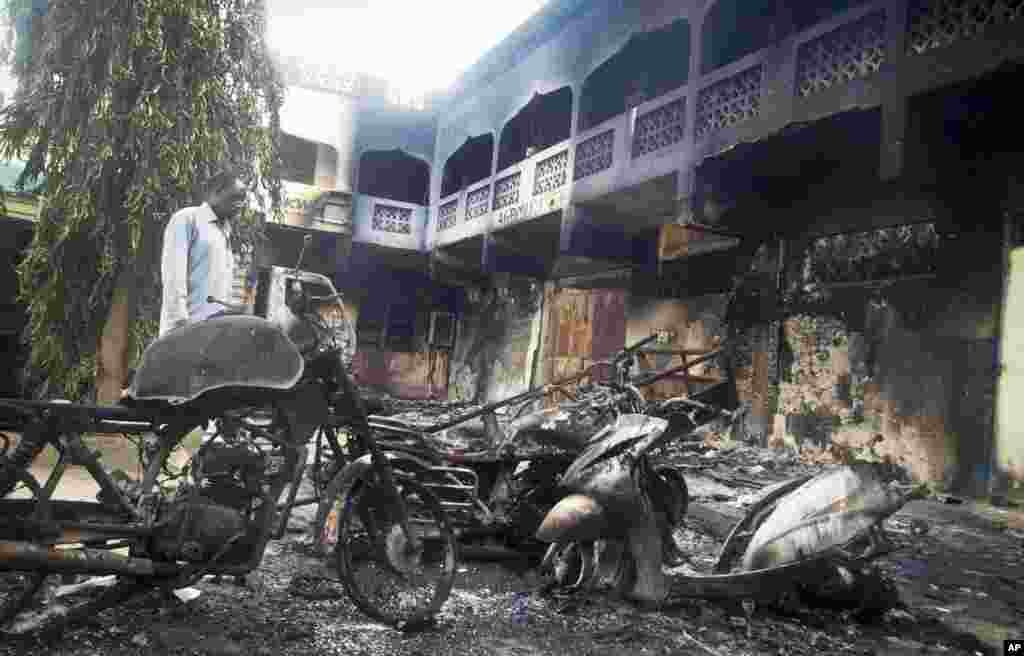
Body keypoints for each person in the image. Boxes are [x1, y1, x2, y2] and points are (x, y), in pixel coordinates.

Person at [158, 169, 248, 336]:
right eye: (236, 197)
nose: (241, 204)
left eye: (243, 200)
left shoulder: (225, 231)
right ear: (216, 192)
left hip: (212, 334)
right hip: (185, 330)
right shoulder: (187, 218)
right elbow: (173, 275)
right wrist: (180, 324)